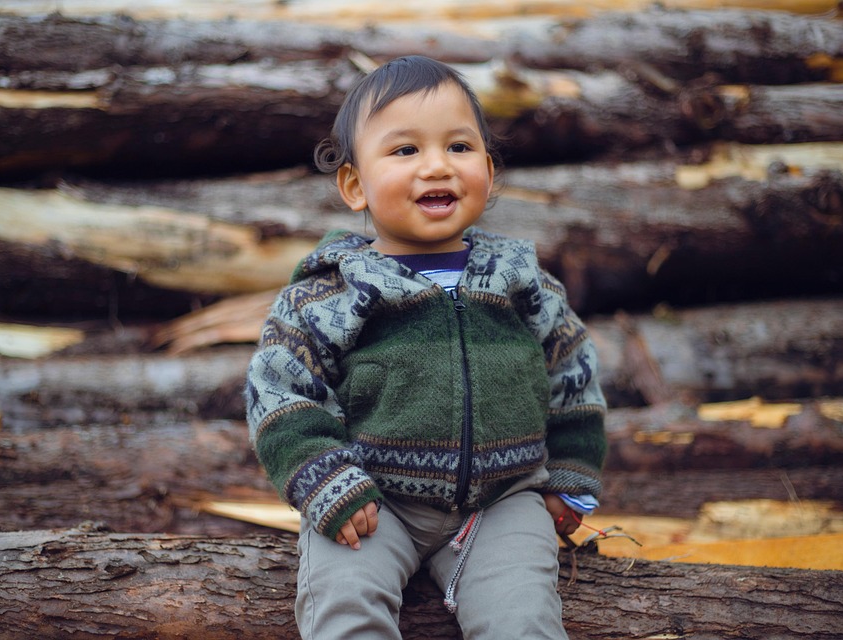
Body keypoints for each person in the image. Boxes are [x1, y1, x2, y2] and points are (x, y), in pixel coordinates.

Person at [245, 55, 607, 640]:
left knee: (524, 619)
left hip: (503, 503)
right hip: (372, 502)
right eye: (405, 150)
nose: (437, 166)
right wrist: (326, 479)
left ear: (489, 171)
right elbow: (282, 391)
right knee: (344, 603)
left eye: (459, 147)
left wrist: (570, 476)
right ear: (355, 185)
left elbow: (573, 374)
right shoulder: (332, 290)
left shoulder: (522, 282)